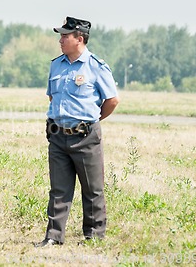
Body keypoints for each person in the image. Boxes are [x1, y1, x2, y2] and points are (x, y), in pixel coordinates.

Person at [35, 17, 120, 247]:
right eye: (61, 36)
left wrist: (92, 120)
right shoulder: (56, 65)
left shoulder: (96, 66)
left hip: (85, 137)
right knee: (59, 190)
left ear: (79, 39)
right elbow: (52, 96)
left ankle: (93, 236)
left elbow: (112, 100)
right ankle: (53, 237)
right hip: (58, 135)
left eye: (65, 36)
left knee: (92, 189)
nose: (60, 40)